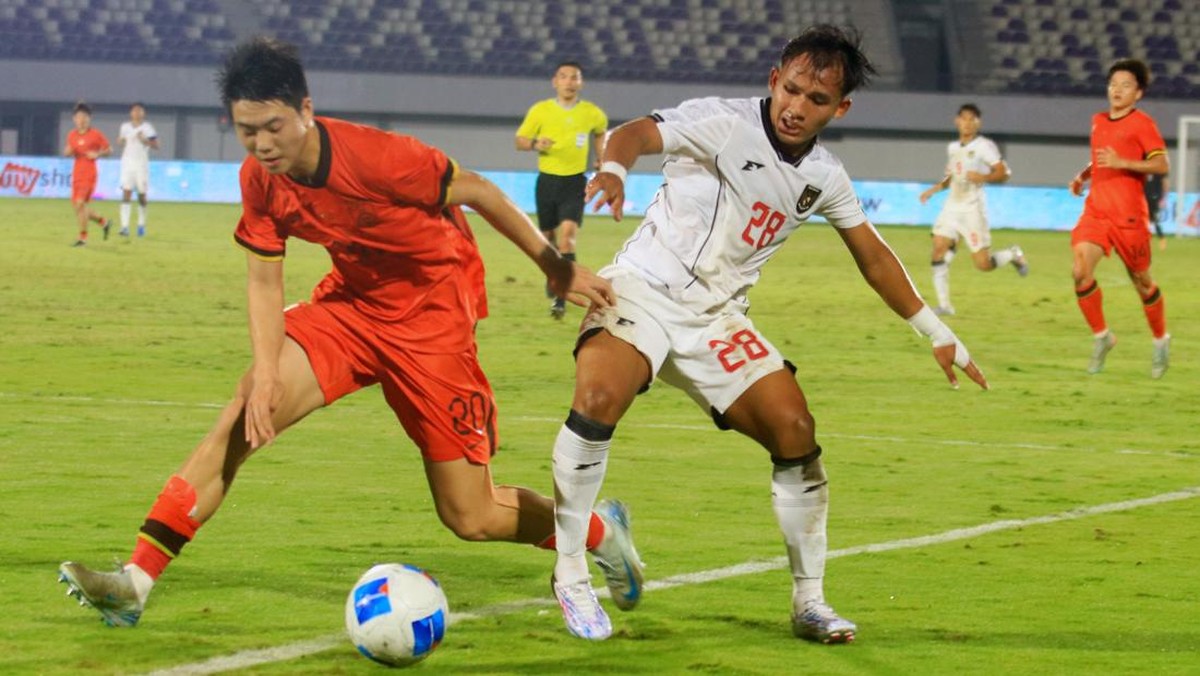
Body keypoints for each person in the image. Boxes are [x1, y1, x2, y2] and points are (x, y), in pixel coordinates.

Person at [58, 37, 643, 628]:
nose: (262, 144)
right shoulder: (259, 178)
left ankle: (597, 531)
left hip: (433, 323)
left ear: (305, 110)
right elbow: (263, 278)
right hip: (352, 308)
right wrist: (267, 371)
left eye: (273, 127)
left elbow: (480, 192)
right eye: (246, 131)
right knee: (246, 408)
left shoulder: (380, 158)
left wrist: (555, 267)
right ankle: (135, 580)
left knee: (471, 516)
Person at [547, 25, 988, 644]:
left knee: (795, 429)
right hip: (642, 290)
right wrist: (616, 169)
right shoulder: (723, 122)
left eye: (817, 99)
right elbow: (635, 133)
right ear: (774, 79)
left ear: (840, 109)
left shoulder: (824, 176)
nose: (797, 106)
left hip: (717, 319)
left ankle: (810, 602)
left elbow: (873, 256)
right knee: (597, 401)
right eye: (793, 89)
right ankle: (570, 573)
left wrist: (935, 330)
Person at [1068, 59, 1170, 378]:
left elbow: (1162, 164)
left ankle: (1160, 340)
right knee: (1080, 272)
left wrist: (1122, 162)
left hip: (1129, 217)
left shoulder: (1143, 124)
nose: (1117, 90)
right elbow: (1101, 158)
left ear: (1138, 93)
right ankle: (1102, 337)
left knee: (1142, 282)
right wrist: (1083, 176)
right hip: (1097, 211)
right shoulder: (1098, 121)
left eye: (1126, 85)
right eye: (1113, 83)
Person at [515, 62, 608, 320]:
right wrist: (536, 143)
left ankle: (561, 297)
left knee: (567, 237)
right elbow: (520, 141)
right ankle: (554, 274)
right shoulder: (540, 110)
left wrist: (601, 157)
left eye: (574, 77)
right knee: (548, 240)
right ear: (555, 81)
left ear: (581, 82)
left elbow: (600, 133)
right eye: (564, 77)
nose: (569, 82)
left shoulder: (592, 113)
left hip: (574, 182)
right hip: (547, 182)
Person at [918, 103, 1028, 316]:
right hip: (952, 207)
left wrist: (983, 177)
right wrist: (933, 190)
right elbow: (951, 176)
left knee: (983, 264)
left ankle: (1013, 254)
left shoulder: (984, 146)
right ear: (957, 121)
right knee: (938, 247)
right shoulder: (952, 148)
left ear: (978, 123)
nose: (967, 123)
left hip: (973, 210)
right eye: (964, 118)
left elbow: (1004, 173)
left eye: (972, 119)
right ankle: (945, 306)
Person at [63, 102, 112, 246]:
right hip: (77, 174)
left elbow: (109, 150)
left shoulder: (95, 134)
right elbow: (67, 151)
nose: (82, 120)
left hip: (89, 174)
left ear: (89, 118)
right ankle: (104, 222)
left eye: (84, 116)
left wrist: (98, 154)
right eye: (79, 117)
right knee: (79, 208)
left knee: (80, 204)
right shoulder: (72, 135)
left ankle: (83, 238)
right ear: (74, 119)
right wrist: (68, 152)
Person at [117, 102, 159, 238]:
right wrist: (120, 141)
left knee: (142, 195)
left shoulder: (148, 128)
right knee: (126, 192)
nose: (136, 113)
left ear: (143, 113)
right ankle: (124, 227)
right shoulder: (125, 127)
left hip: (141, 164)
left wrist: (144, 140)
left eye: (139, 110)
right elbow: (120, 142)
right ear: (131, 113)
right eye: (134, 110)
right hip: (127, 163)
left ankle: (141, 224)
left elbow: (156, 145)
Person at [1143, 172, 1167, 251]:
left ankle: (1162, 238)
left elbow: (1164, 183)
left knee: (1154, 220)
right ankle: (1147, 241)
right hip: (1144, 197)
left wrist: (1163, 198)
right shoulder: (1144, 170)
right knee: (1145, 220)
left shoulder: (1158, 171)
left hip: (1155, 197)